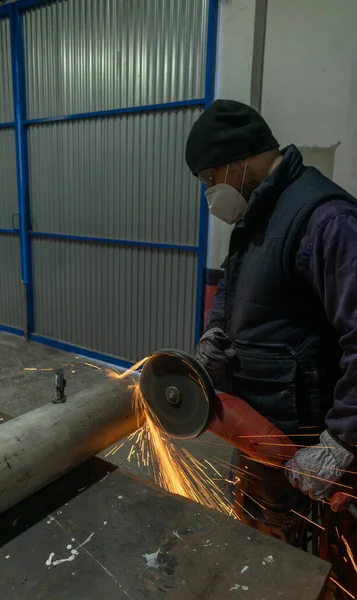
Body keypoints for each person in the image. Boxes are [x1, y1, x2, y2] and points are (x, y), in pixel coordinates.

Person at [185, 99, 356, 542]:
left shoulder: (326, 220)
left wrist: (340, 442)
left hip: (304, 448)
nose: (210, 193)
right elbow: (232, 286)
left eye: (209, 179)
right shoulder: (256, 214)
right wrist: (215, 334)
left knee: (295, 558)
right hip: (260, 431)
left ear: (240, 159)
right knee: (255, 539)